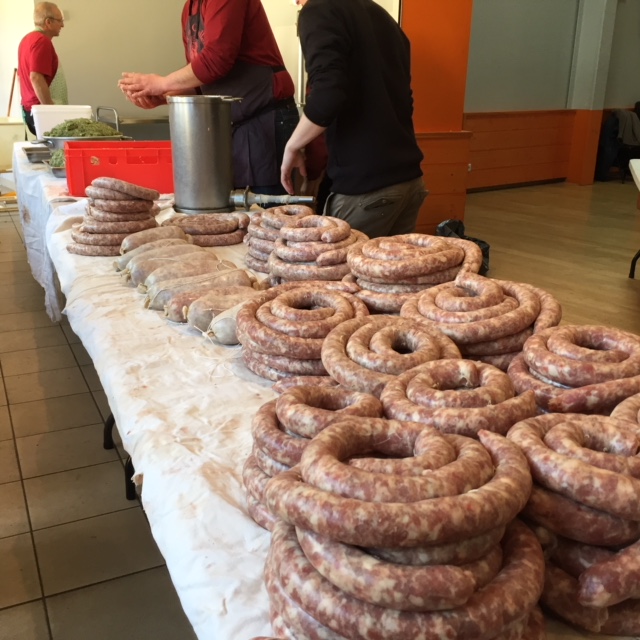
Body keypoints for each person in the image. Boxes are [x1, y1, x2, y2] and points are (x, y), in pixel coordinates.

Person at [118, 0, 299, 197]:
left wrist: (162, 83)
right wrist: (163, 96)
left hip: (264, 125)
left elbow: (216, 59)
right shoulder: (189, 8)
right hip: (229, 129)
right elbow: (201, 79)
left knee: (272, 217)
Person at [281, 0, 427, 239]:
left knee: (340, 275)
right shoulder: (380, 14)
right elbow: (404, 99)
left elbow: (328, 95)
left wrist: (292, 146)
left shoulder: (318, 10)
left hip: (366, 190)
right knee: (386, 276)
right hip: (408, 181)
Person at [17, 2, 65, 136]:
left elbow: (20, 77)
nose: (62, 25)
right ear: (48, 22)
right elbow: (36, 77)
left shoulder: (26, 40)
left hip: (30, 109)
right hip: (40, 111)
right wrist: (49, 111)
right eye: (60, 21)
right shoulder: (42, 41)